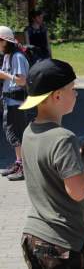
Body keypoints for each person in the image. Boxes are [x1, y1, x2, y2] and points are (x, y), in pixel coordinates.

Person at [18, 59, 84, 268]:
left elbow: (49, 169)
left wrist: (79, 155)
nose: (76, 94)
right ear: (57, 96)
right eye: (73, 89)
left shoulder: (29, 131)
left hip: (34, 235)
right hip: (62, 242)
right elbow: (78, 191)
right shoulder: (63, 138)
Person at [0, 26, 29, 181]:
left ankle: (24, 166)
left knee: (18, 133)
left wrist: (3, 75)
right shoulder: (7, 56)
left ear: (5, 41)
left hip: (17, 101)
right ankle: (18, 162)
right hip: (8, 100)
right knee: (12, 133)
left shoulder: (17, 57)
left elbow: (22, 80)